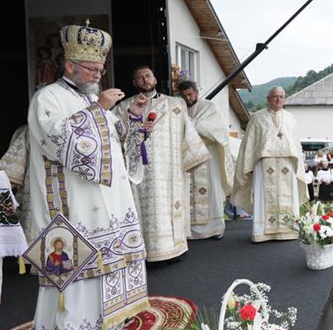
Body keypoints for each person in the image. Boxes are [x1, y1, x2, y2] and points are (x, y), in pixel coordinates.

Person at [17, 24, 149, 330]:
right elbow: (58, 140)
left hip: (107, 200)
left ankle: (108, 318)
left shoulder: (91, 98)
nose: (97, 75)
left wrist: (134, 121)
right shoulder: (47, 98)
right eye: (91, 69)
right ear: (69, 65)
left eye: (100, 69)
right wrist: (99, 111)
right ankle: (73, 328)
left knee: (108, 254)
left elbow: (115, 145)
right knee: (77, 260)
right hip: (71, 201)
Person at [115, 66, 209, 261]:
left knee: (168, 206)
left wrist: (194, 158)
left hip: (169, 168)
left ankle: (173, 250)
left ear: (155, 79)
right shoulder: (123, 107)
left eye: (148, 76)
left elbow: (188, 131)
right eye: (140, 77)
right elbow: (115, 134)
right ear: (134, 83)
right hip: (139, 170)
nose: (145, 79)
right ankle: (144, 252)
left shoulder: (175, 104)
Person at [232, 86, 309, 242]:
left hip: (287, 163)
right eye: (275, 96)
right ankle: (262, 232)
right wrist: (248, 166)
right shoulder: (257, 118)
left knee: (288, 194)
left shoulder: (290, 118)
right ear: (268, 98)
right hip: (264, 164)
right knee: (264, 194)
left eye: (281, 96)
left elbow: (295, 144)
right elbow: (249, 144)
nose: (278, 99)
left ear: (284, 99)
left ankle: (289, 230)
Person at [177, 80, 234, 241]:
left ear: (196, 92)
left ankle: (215, 228)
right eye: (184, 96)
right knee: (187, 191)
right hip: (187, 156)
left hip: (208, 155)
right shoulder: (179, 109)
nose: (187, 98)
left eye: (190, 94)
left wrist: (190, 124)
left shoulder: (210, 107)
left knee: (212, 190)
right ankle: (189, 229)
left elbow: (217, 128)